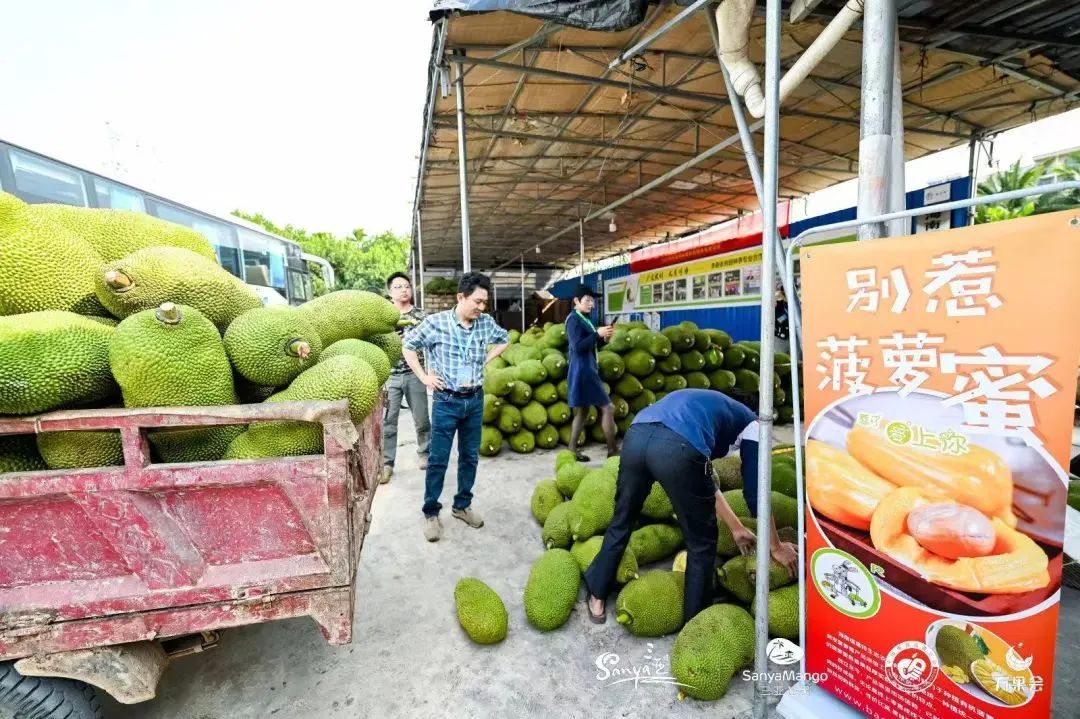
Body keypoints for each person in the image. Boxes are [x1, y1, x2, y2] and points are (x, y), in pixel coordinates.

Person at [583, 389, 799, 624]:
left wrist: (736, 527)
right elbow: (757, 492)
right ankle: (694, 623)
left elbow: (703, 479)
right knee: (702, 543)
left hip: (636, 437)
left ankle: (596, 597)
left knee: (622, 519)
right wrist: (776, 546)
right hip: (677, 449)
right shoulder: (753, 424)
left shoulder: (705, 405)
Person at [401, 272, 510, 542]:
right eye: (478, 301)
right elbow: (408, 346)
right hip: (446, 401)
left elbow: (505, 338)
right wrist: (424, 376)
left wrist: (486, 359)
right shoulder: (435, 323)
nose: (482, 308)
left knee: (470, 457)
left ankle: (462, 505)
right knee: (438, 460)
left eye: (485, 302)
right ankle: (430, 512)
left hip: (474, 400)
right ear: (460, 297)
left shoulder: (485, 324)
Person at [379, 272, 431, 485]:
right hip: (390, 377)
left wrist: (430, 372)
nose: (404, 290)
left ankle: (425, 453)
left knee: (422, 419)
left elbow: (431, 342)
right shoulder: (382, 316)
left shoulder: (421, 316)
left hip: (414, 374)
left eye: (407, 286)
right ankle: (387, 463)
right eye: (398, 287)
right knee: (388, 422)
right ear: (390, 292)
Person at [564, 285, 618, 460]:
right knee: (608, 408)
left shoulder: (585, 319)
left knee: (584, 411)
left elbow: (591, 345)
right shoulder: (573, 319)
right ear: (576, 301)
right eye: (587, 300)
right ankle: (612, 451)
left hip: (587, 367)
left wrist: (604, 338)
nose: (591, 304)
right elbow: (578, 346)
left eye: (592, 301)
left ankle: (572, 449)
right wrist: (597, 334)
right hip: (583, 370)